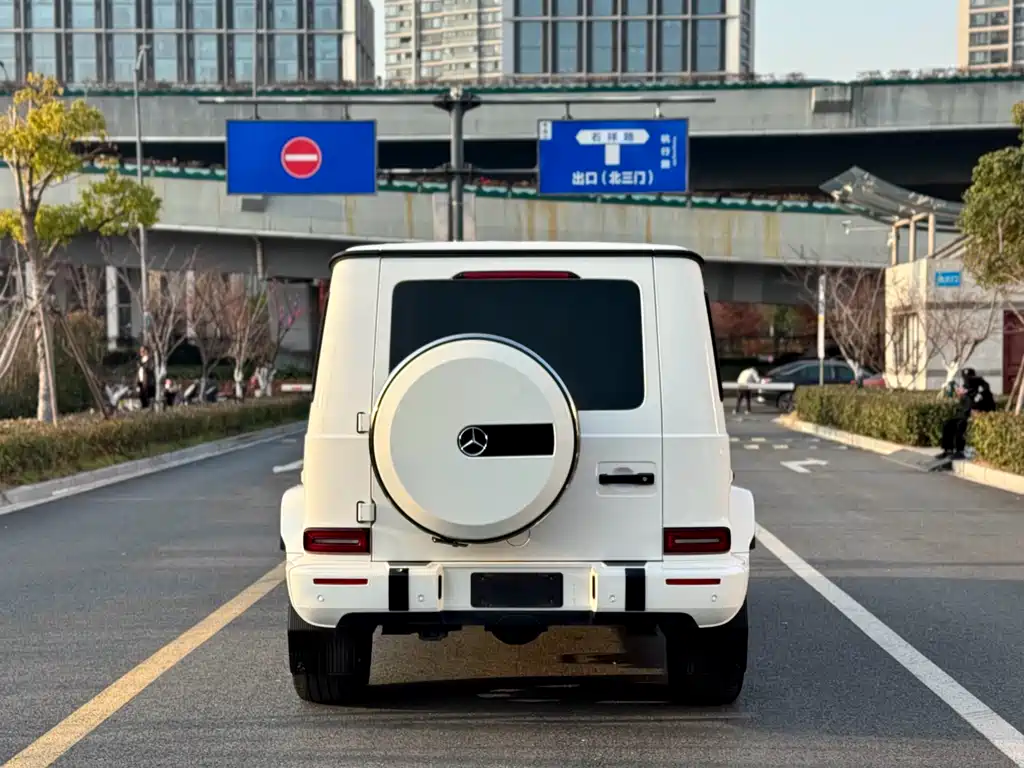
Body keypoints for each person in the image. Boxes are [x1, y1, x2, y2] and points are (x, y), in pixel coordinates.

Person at [937, 367, 996, 461]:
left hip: (976, 416)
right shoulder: (964, 389)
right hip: (964, 415)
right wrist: (961, 395)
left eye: (969, 378)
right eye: (965, 378)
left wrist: (972, 395)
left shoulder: (982, 388)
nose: (967, 380)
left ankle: (960, 451)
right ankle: (948, 450)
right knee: (947, 423)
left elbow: (985, 402)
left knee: (961, 425)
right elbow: (963, 404)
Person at [136, 346, 156, 410]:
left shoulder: (150, 360)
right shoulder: (140, 360)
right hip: (141, 380)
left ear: (146, 351)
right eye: (140, 351)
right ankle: (144, 407)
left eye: (142, 351)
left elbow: (150, 368)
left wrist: (143, 365)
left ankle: (149, 408)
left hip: (148, 381)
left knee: (148, 395)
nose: (141, 352)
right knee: (141, 395)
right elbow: (138, 371)